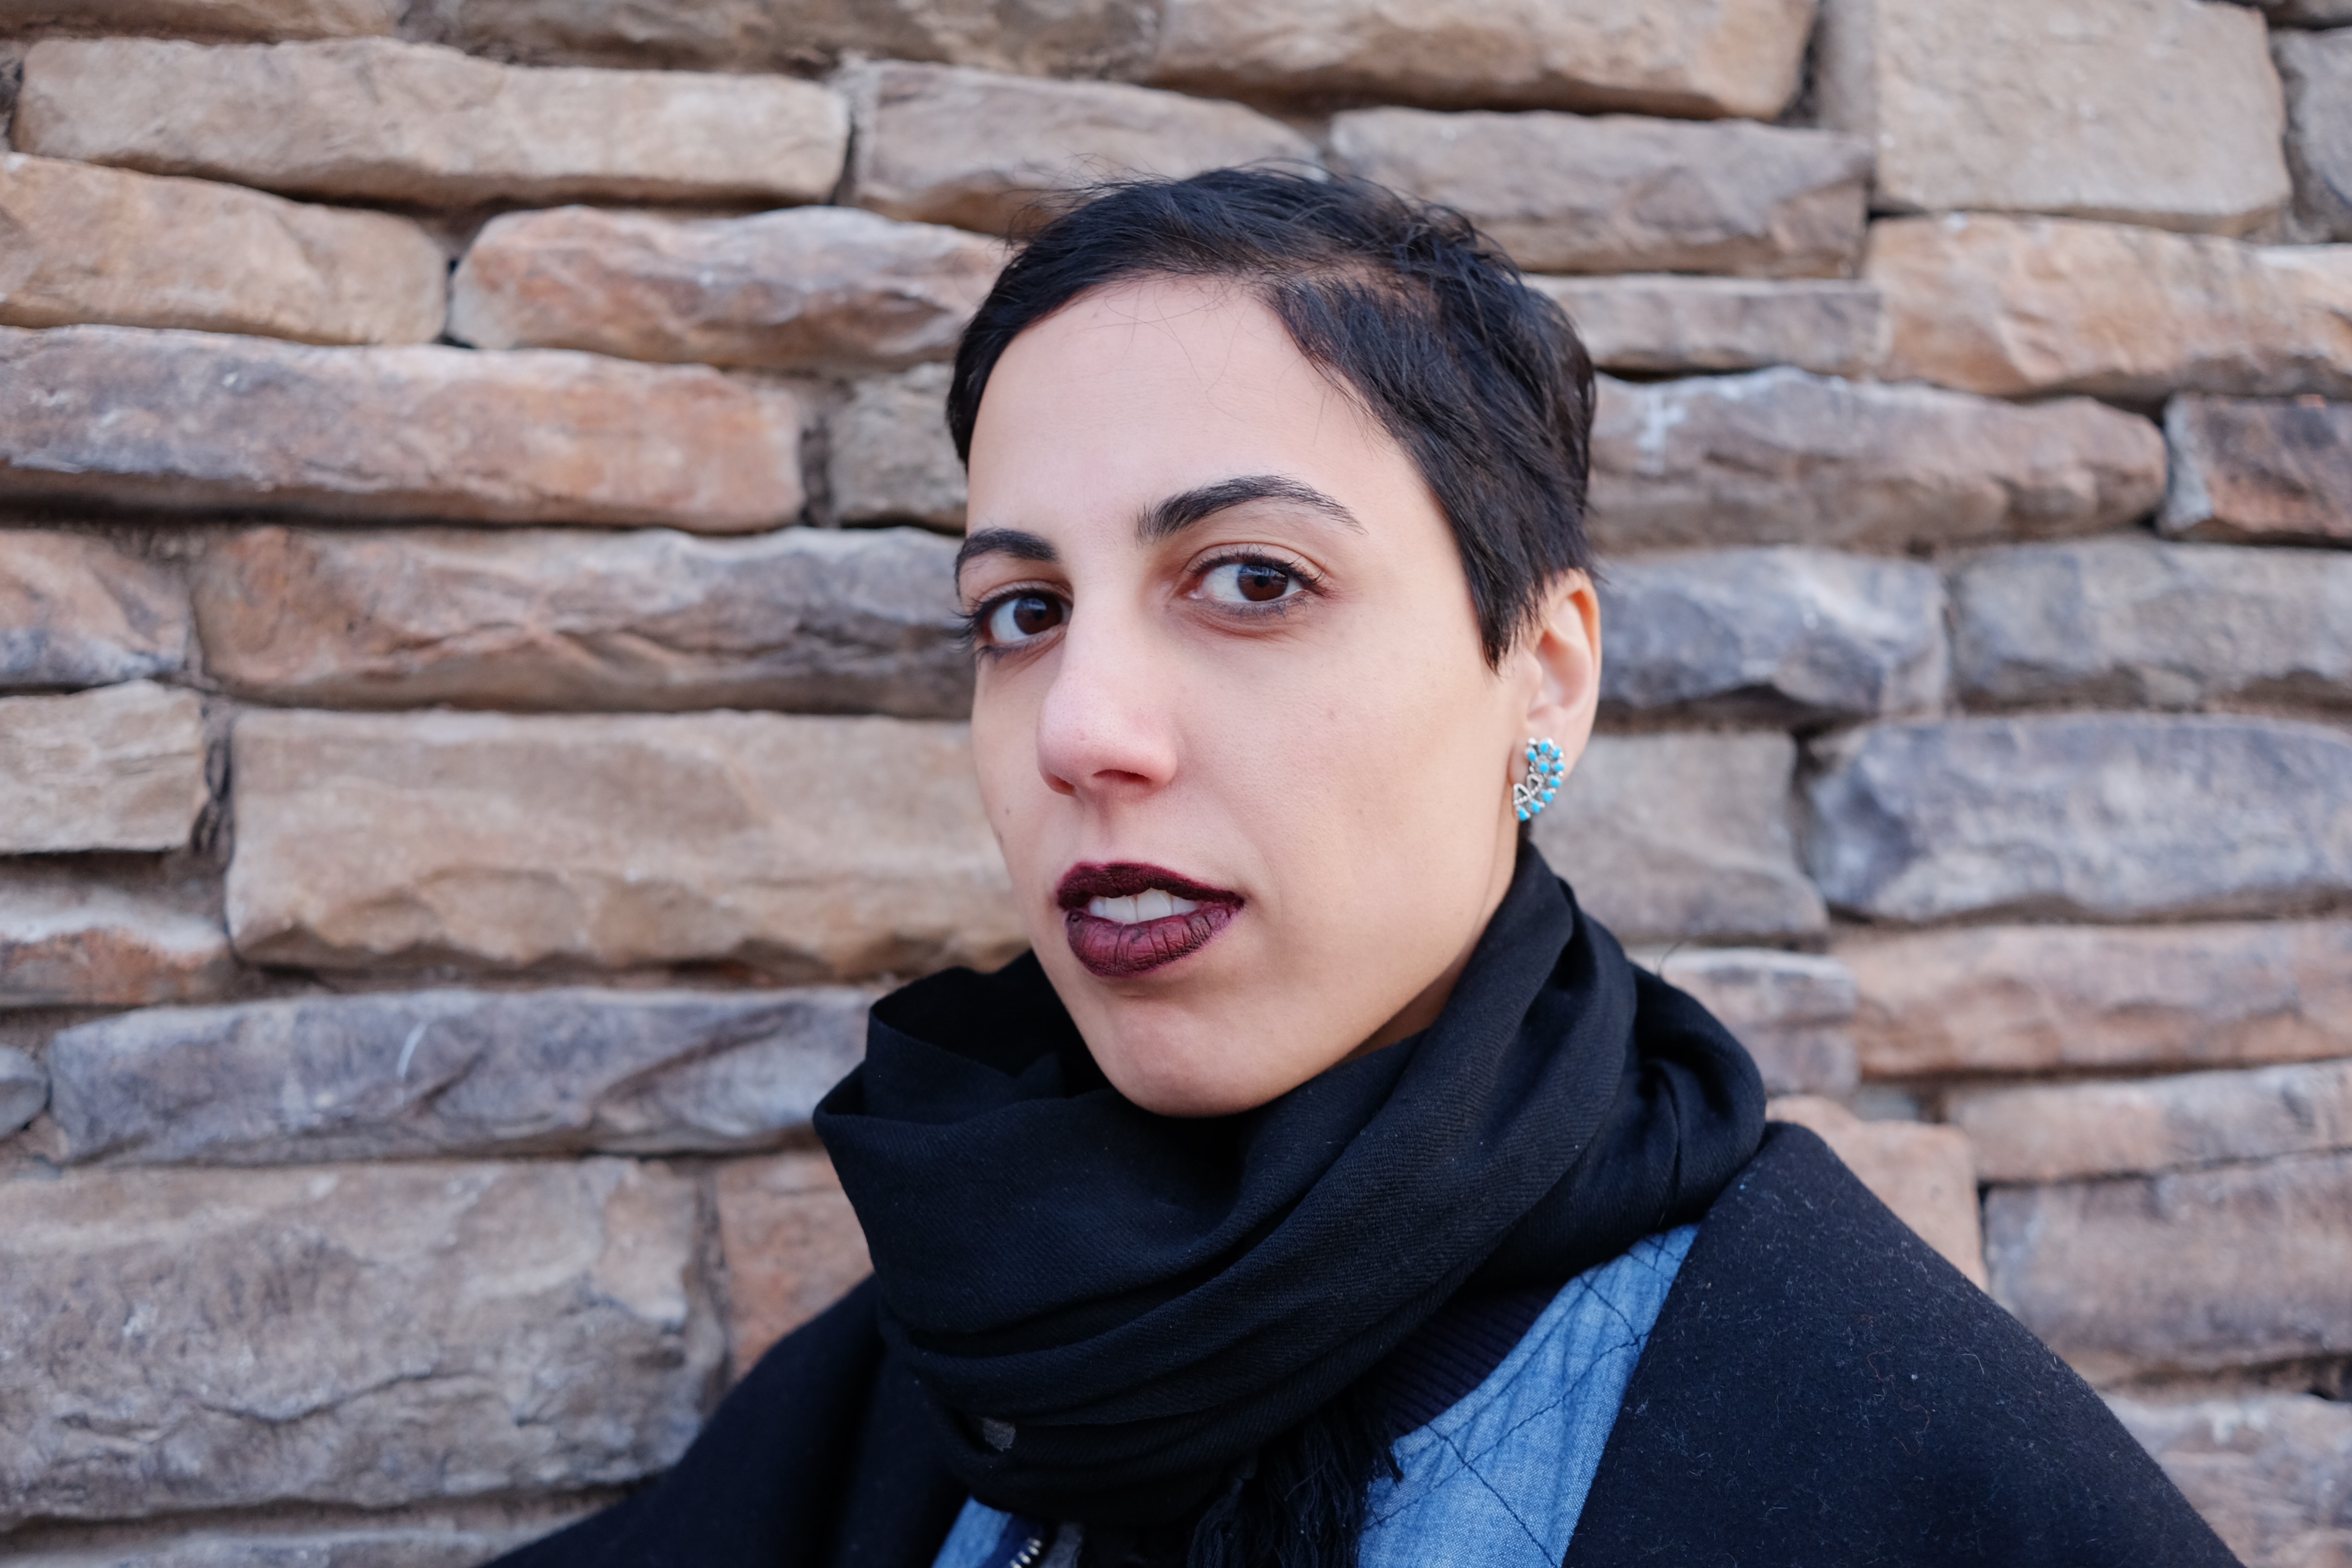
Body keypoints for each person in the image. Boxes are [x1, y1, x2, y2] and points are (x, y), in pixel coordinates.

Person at [492, 169, 2237, 1568]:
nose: (1080, 728)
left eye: (1253, 581)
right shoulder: (944, 1346)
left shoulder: (1885, 1438)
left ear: (1543, 676)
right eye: (1021, 612)